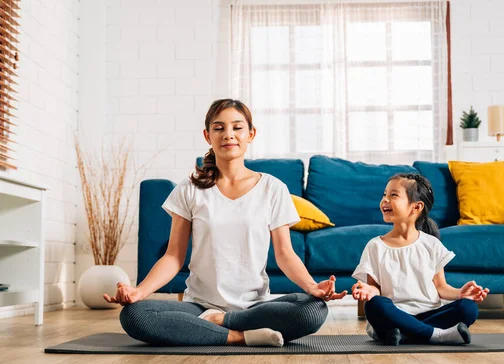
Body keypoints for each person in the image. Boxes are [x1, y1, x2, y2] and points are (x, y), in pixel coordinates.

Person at [104, 99, 346, 347]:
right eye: (219, 128)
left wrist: (312, 287)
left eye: (237, 127)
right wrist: (139, 292)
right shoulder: (190, 189)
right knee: (135, 316)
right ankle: (239, 336)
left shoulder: (273, 188)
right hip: (199, 307)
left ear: (250, 134)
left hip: (255, 307)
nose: (228, 135)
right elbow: (174, 256)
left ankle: (218, 324)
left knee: (313, 310)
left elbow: (285, 254)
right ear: (207, 135)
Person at [351, 173, 489, 345]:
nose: (385, 200)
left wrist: (460, 293)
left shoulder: (431, 244)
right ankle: (436, 335)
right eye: (384, 195)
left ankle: (405, 334)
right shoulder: (375, 246)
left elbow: (441, 287)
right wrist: (369, 291)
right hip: (394, 313)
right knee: (374, 305)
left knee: (468, 308)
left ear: (416, 207)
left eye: (393, 195)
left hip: (430, 313)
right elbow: (375, 289)